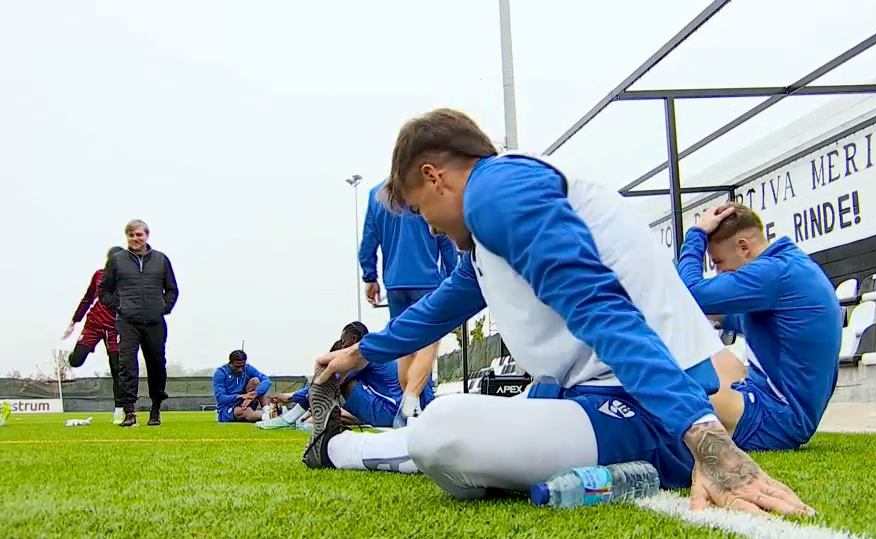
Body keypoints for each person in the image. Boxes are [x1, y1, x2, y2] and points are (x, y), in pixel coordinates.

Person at [304, 108, 814, 517]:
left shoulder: (496, 192)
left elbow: (600, 307)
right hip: (602, 396)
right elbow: (436, 312)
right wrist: (359, 353)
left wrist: (706, 440)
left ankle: (338, 450)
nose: (431, 228)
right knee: (470, 427)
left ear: (434, 176)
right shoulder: (487, 225)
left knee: (445, 431)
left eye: (421, 211)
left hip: (641, 405)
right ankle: (337, 448)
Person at [675, 203, 842, 450]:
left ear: (743, 246)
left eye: (719, 262)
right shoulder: (789, 266)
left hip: (777, 420)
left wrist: (696, 234)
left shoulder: (773, 272)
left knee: (665, 375)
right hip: (779, 407)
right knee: (694, 345)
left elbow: (688, 293)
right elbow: (736, 318)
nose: (720, 272)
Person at [359, 179, 458, 426]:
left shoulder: (376, 195)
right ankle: (411, 405)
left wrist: (370, 276)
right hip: (426, 279)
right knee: (428, 345)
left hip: (394, 283)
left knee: (404, 348)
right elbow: (444, 237)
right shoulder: (425, 188)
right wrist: (454, 275)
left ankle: (410, 410)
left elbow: (368, 240)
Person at [259, 322, 434, 430]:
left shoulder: (364, 354)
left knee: (338, 381)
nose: (343, 346)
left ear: (355, 338)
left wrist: (291, 396)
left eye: (344, 341)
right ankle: (304, 418)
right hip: (401, 412)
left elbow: (328, 381)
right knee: (339, 379)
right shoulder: (380, 349)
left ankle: (290, 419)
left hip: (388, 412)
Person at [99, 219, 179, 427]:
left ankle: (155, 410)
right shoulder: (117, 260)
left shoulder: (161, 260)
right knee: (126, 365)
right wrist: (120, 306)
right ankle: (129, 412)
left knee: (157, 365)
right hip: (127, 322)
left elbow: (172, 290)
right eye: (131, 235)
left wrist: (163, 308)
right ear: (127, 237)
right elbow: (103, 290)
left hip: (154, 322)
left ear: (146, 236)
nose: (135, 239)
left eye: (139, 235)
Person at [63, 246, 126, 424]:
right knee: (76, 361)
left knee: (117, 369)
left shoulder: (127, 280)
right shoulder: (99, 276)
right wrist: (74, 322)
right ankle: (74, 355)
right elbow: (87, 298)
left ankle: (119, 410)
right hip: (94, 324)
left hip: (115, 328)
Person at [212, 350, 273, 423]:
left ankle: (267, 410)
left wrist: (254, 394)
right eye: (237, 366)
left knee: (255, 381)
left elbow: (267, 381)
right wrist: (241, 396)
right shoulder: (221, 373)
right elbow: (220, 398)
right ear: (230, 363)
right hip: (229, 406)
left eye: (242, 366)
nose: (240, 369)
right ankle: (269, 416)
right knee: (245, 412)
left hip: (247, 400)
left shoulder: (248, 368)